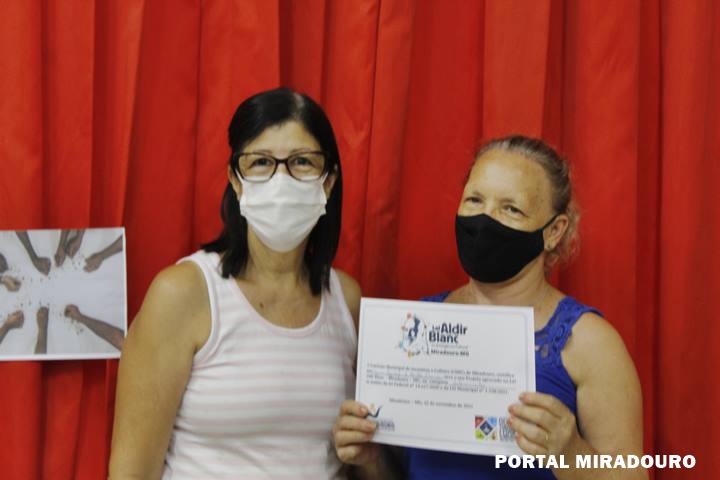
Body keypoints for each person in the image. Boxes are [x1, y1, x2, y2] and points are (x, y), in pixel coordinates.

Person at [333, 135, 646, 479]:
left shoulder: (589, 342)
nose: (485, 219)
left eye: (511, 209)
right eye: (474, 200)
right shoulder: (415, 326)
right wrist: (369, 458)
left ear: (554, 231)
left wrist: (570, 452)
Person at [109, 88, 363, 479]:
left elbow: (361, 454)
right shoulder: (182, 294)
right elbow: (131, 473)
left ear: (328, 181)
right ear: (236, 179)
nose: (281, 179)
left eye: (302, 162)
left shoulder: (347, 300)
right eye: (261, 162)